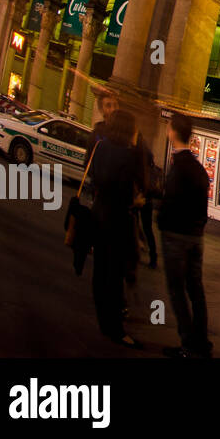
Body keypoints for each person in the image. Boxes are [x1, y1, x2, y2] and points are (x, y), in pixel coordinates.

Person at [89, 108, 146, 348]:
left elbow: (94, 179)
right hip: (117, 221)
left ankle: (104, 321)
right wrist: (137, 202)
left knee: (100, 272)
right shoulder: (130, 156)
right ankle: (115, 329)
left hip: (99, 215)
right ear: (129, 130)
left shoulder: (101, 148)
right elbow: (125, 193)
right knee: (114, 276)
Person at [159, 113, 212, 358]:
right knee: (196, 289)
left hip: (176, 237)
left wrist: (160, 219)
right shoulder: (199, 169)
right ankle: (202, 342)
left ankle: (188, 344)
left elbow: (169, 203)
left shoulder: (179, 167)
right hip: (195, 237)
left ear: (172, 132)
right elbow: (203, 207)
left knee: (177, 290)